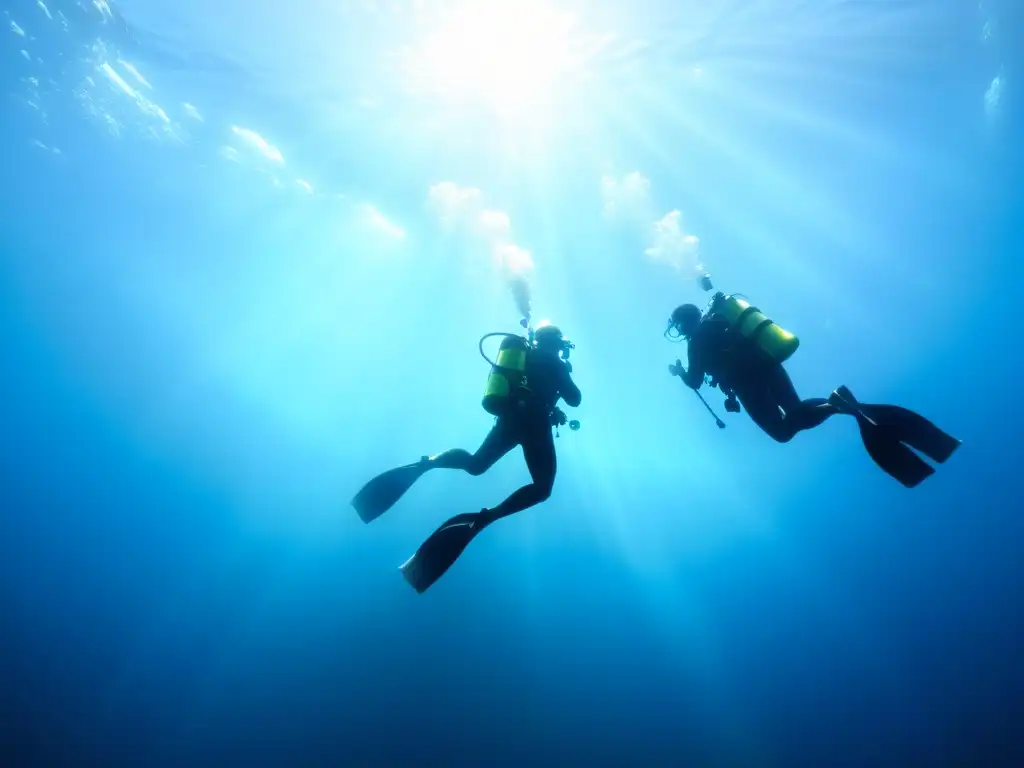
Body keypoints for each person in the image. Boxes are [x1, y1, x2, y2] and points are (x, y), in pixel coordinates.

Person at [351, 323, 582, 593]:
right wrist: (562, 374)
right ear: (556, 343)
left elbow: (529, 389)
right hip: (534, 425)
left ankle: (429, 463)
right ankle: (488, 516)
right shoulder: (552, 360)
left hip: (508, 420)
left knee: (475, 465)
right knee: (542, 488)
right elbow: (575, 398)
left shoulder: (525, 356)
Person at [666, 302, 961, 488]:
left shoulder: (697, 341)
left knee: (782, 432)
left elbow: (694, 381)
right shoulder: (723, 321)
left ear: (682, 324)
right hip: (770, 365)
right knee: (795, 410)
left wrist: (680, 373)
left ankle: (834, 405)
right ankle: (835, 402)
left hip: (747, 384)